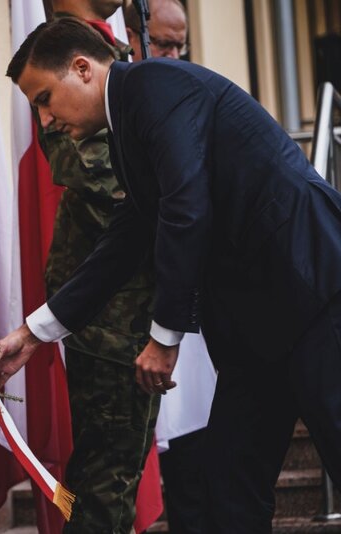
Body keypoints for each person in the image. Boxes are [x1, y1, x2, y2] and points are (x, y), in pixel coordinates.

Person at [0, 17, 341, 532]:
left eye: (44, 98)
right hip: (254, 329)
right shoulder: (128, 125)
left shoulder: (156, 86)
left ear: (82, 69)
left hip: (314, 292)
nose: (44, 120)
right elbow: (124, 243)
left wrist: (163, 336)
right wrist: (32, 333)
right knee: (228, 486)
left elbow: (186, 208)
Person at [37, 2, 159, 533]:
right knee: (101, 483)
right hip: (106, 316)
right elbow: (94, 173)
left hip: (132, 309)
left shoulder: (116, 50)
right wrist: (169, 183)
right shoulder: (58, 58)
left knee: (114, 476)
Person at [125, 2, 217, 532]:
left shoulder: (186, 101)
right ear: (132, 39)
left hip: (192, 315)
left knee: (198, 463)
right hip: (142, 315)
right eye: (162, 43)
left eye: (180, 45)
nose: (173, 56)